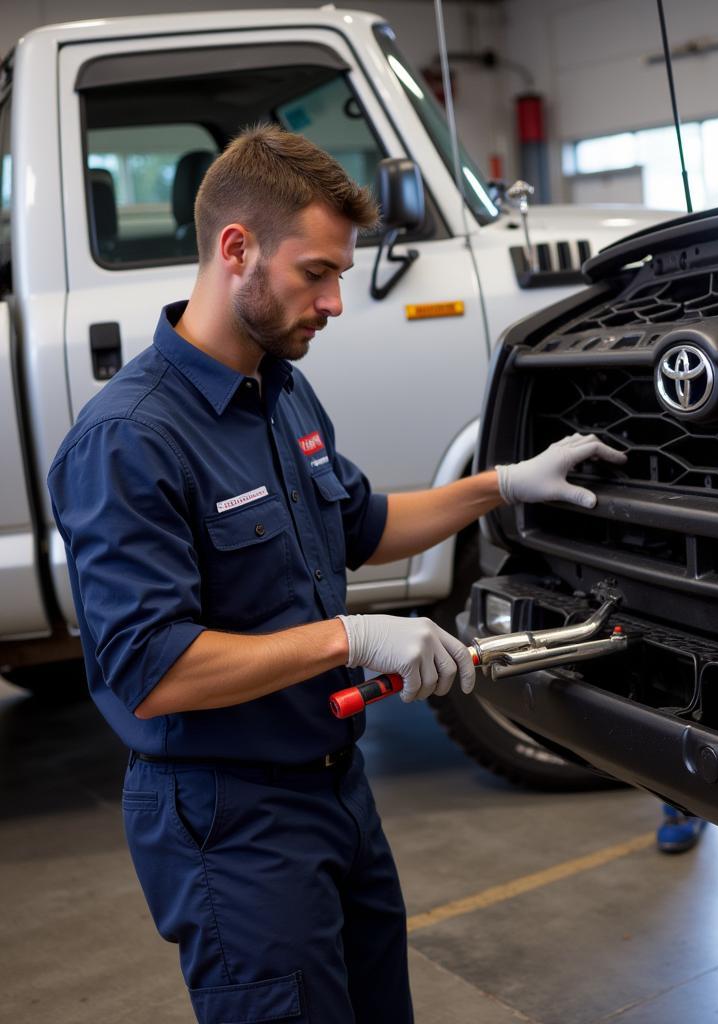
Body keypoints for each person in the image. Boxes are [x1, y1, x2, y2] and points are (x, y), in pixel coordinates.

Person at [47, 125, 626, 1024]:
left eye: (341, 277)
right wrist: (351, 637)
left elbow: (360, 523)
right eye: (315, 273)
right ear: (236, 250)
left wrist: (504, 482)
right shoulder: (131, 440)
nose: (334, 302)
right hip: (230, 816)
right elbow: (152, 672)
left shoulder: (278, 390)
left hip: (334, 786)